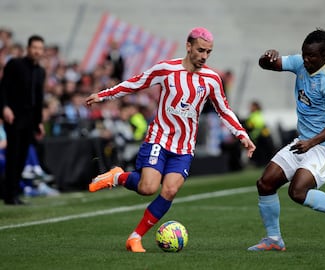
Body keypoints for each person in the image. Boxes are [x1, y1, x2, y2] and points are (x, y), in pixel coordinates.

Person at [86, 27, 256, 253]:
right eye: (200, 50)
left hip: (184, 147)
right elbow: (136, 82)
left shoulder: (212, 79)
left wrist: (242, 134)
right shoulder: (166, 69)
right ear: (188, 46)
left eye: (208, 52)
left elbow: (224, 109)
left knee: (170, 191)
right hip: (159, 138)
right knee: (148, 187)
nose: (204, 56)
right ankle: (116, 176)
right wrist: (103, 95)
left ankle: (135, 237)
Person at [248, 29, 325, 251]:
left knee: (297, 191)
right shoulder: (300, 63)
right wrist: (266, 57)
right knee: (265, 183)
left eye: (313, 56)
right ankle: (273, 239)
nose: (307, 60)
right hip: (304, 142)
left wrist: (311, 143)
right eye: (305, 54)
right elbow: (268, 65)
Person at [0, 35, 46, 205]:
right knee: (13, 155)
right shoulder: (15, 64)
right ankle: (9, 194)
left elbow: (38, 99)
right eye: (35, 47)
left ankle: (12, 193)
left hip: (29, 121)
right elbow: (2, 88)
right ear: (28, 48)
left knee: (22, 157)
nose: (37, 51)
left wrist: (39, 122)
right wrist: (4, 108)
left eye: (40, 48)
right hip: (14, 117)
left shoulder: (40, 71)